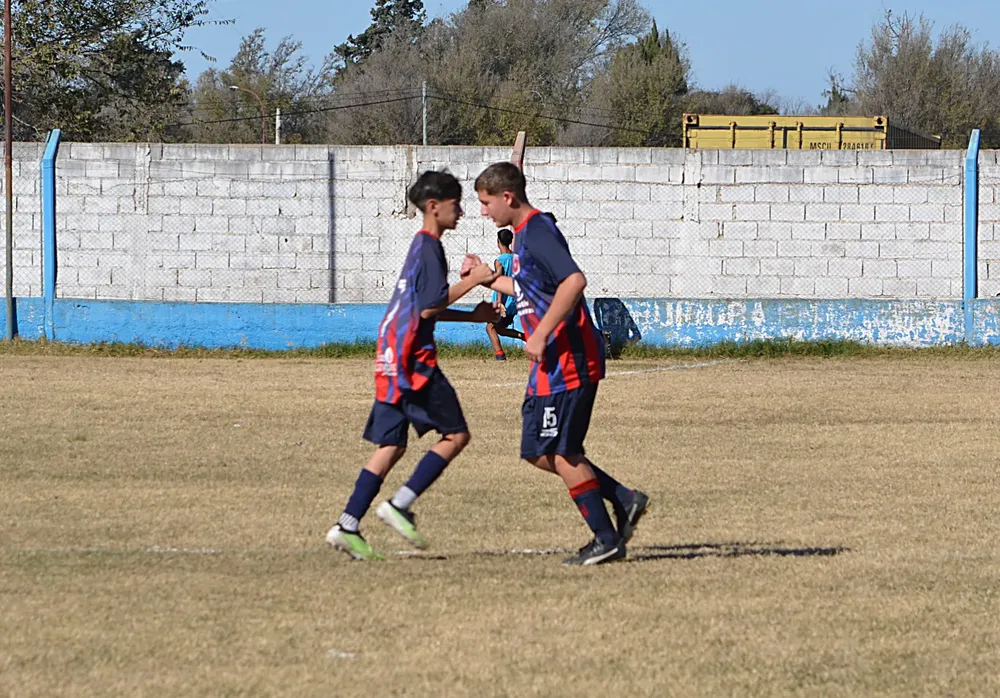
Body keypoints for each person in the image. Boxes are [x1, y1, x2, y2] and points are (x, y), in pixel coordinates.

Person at [466, 162, 649, 566]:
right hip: (548, 363)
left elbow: (573, 281)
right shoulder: (524, 237)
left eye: (485, 203)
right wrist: (485, 279)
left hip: (569, 357)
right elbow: (529, 288)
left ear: (507, 197)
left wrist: (542, 332)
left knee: (563, 451)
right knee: (536, 450)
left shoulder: (537, 231)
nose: (483, 212)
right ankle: (623, 497)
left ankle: (607, 539)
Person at [327, 170, 498, 561]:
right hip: (412, 362)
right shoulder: (429, 249)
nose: (462, 211)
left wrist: (472, 318)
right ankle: (400, 505)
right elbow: (430, 306)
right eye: (456, 204)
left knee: (391, 444)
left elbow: (422, 309)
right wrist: (475, 280)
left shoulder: (420, 248)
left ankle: (347, 525)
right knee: (456, 436)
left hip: (390, 357)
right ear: (434, 207)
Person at [486, 227, 525, 360]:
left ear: (498, 241)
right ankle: (525, 337)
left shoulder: (500, 261)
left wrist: (499, 303)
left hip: (503, 300)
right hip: (514, 301)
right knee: (500, 329)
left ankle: (500, 355)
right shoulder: (517, 259)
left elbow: (500, 283)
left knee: (490, 327)